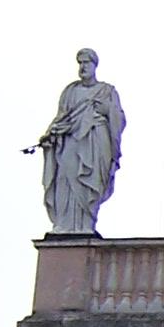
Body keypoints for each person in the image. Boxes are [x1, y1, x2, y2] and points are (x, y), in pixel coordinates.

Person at [31, 49, 126, 235]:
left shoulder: (107, 91)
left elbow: (119, 119)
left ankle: (85, 224)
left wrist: (107, 109)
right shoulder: (70, 92)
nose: (83, 67)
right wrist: (51, 134)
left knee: (89, 183)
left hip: (94, 141)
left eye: (86, 63)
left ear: (94, 66)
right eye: (80, 63)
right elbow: (61, 118)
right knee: (66, 178)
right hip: (71, 142)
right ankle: (64, 225)